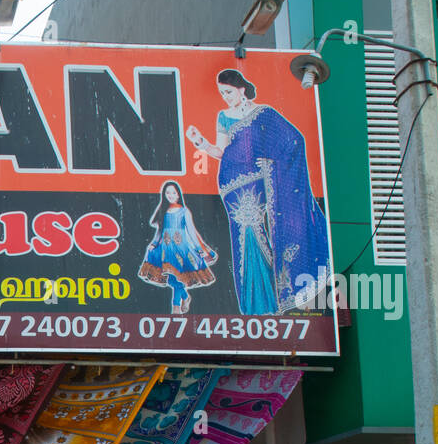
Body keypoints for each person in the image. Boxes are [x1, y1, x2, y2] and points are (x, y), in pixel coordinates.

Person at [186, 70, 330, 315]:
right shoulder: (224, 116)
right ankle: (259, 306)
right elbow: (220, 152)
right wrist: (200, 143)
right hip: (231, 180)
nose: (225, 97)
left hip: (259, 178)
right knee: (246, 234)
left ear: (241, 88)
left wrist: (272, 162)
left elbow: (294, 140)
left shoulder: (264, 113)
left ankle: (272, 299)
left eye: (228, 92)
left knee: (259, 229)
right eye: (222, 93)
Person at [138, 180, 217, 313]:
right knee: (173, 278)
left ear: (178, 195)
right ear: (164, 194)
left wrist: (199, 249)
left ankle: (176, 308)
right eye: (167, 192)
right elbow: (160, 231)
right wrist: (154, 244)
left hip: (181, 249)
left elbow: (191, 231)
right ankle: (185, 298)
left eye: (173, 192)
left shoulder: (184, 211)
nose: (170, 195)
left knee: (177, 278)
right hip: (166, 249)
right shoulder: (163, 211)